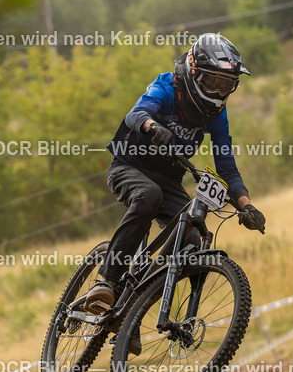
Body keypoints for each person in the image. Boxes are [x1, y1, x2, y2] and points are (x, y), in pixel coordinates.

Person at [84, 33, 267, 328]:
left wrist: (247, 206)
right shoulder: (168, 86)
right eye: (213, 82)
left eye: (226, 85)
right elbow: (136, 114)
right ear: (194, 72)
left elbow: (227, 168)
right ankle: (105, 280)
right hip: (129, 166)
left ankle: (133, 310)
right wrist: (152, 125)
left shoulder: (216, 114)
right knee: (148, 195)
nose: (219, 91)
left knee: (193, 242)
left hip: (168, 180)